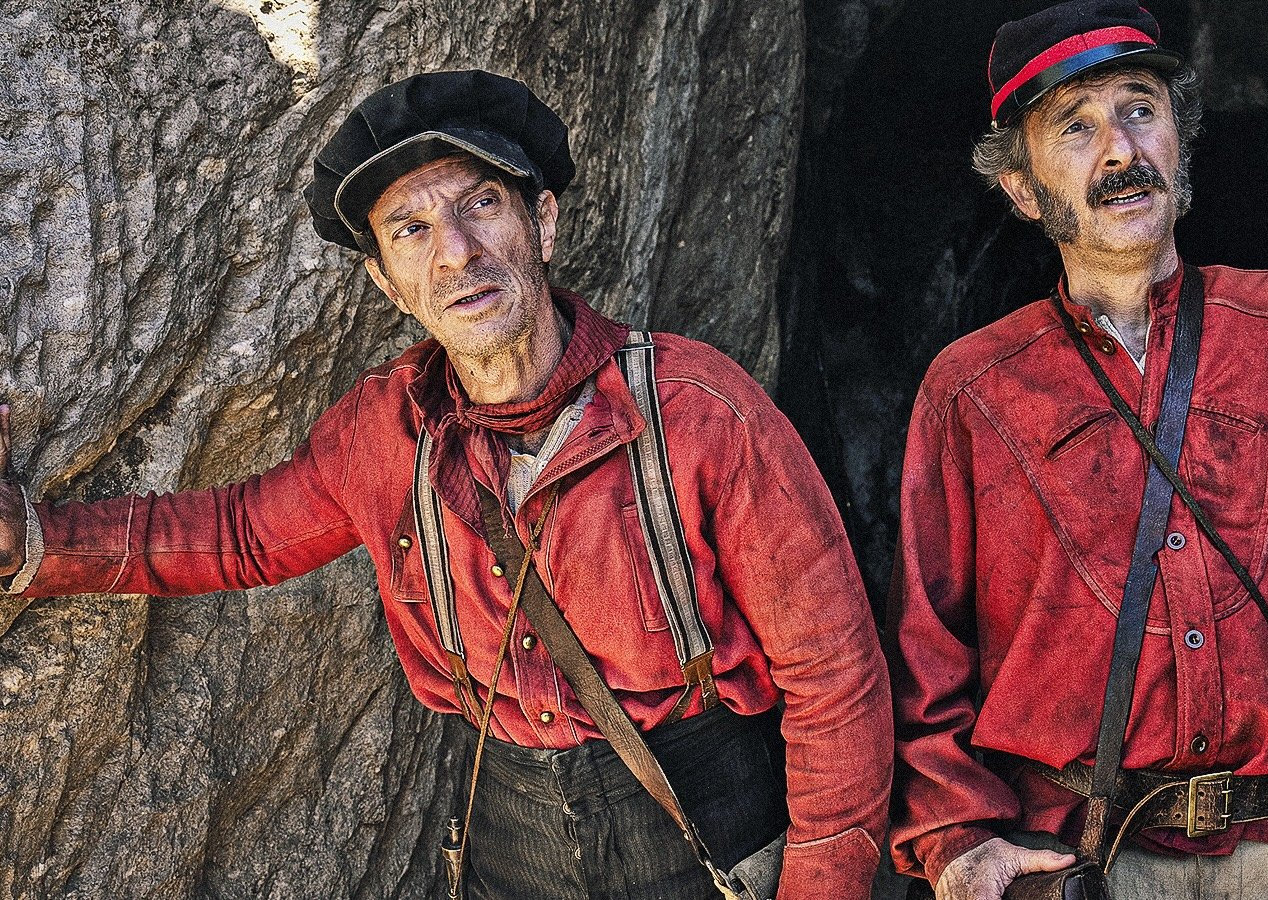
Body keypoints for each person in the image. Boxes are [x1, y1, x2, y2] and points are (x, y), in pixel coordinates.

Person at [0, 70, 891, 900]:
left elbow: (835, 674)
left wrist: (822, 881)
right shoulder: (382, 432)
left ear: (542, 223)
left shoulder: (698, 410)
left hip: (711, 825)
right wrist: (34, 541)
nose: (457, 255)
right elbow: (243, 534)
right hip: (507, 837)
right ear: (386, 281)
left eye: (482, 204)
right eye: (411, 231)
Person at [886, 3, 1268, 899]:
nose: (1120, 150)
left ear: (1179, 135)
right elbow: (924, 651)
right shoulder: (973, 392)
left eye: (1141, 108)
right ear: (1021, 189)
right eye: (1076, 125)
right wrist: (955, 840)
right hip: (1084, 862)